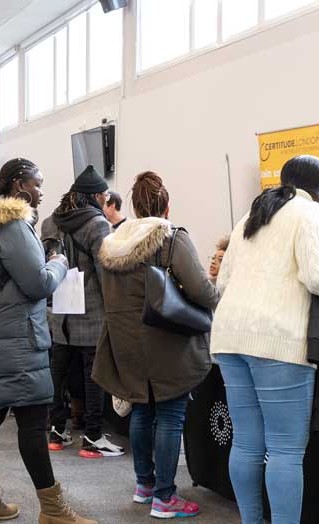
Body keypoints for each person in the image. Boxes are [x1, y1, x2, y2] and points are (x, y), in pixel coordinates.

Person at [0, 158, 95, 524]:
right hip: (18, 341)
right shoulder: (13, 227)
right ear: (18, 185)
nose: (41, 190)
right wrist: (57, 261)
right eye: (37, 182)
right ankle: (54, 509)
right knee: (32, 421)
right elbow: (39, 284)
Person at [211, 155, 319, 524]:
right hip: (278, 341)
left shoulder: (251, 214)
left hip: (230, 338)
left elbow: (222, 283)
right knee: (285, 451)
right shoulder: (311, 214)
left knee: (247, 442)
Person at [93, 171, 218, 519]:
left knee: (142, 410)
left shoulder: (113, 242)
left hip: (126, 342)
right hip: (166, 342)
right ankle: (165, 496)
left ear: (133, 205)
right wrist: (220, 292)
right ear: (166, 205)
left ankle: (145, 485)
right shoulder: (171, 237)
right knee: (170, 415)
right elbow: (201, 291)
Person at [40, 166, 120, 459]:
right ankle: (93, 436)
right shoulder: (97, 224)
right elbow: (104, 271)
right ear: (97, 196)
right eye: (105, 195)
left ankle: (56, 431)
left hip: (60, 310)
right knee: (93, 374)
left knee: (58, 372)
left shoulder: (51, 222)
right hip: (91, 311)